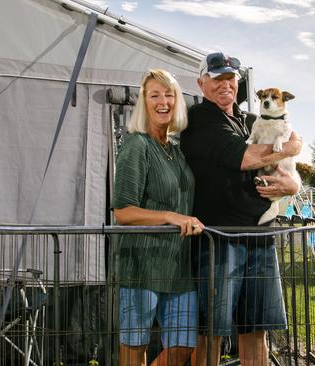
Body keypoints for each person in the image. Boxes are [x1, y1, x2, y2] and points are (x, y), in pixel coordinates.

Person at [180, 52, 302, 366]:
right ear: (201, 83)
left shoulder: (251, 120)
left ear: (239, 82)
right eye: (216, 78)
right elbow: (245, 157)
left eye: (230, 78)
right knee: (211, 333)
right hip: (219, 240)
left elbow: (292, 139)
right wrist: (289, 148)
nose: (225, 85)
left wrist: (293, 186)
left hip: (260, 237)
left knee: (257, 330)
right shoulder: (200, 119)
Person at [112, 69, 205, 366]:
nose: (163, 101)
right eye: (155, 95)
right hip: (142, 264)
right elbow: (123, 212)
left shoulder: (176, 150)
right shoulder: (136, 145)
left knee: (182, 348)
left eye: (169, 95)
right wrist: (169, 216)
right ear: (144, 102)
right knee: (133, 347)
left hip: (179, 267)